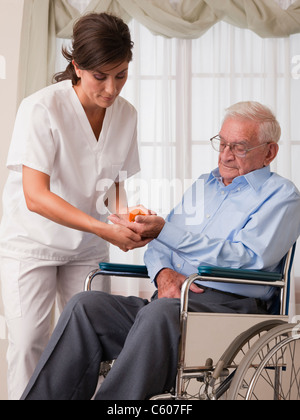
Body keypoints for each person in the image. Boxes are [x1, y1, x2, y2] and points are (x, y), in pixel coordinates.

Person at [21, 102, 300, 400]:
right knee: (85, 306)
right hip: (170, 302)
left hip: (229, 308)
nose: (226, 154)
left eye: (239, 147)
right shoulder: (204, 186)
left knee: (160, 313)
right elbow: (162, 244)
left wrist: (165, 231)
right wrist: (163, 274)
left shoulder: (282, 196)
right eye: (222, 143)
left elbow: (249, 259)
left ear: (269, 152)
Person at [0, 13, 151, 400]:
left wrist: (127, 220)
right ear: (77, 67)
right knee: (30, 342)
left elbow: (114, 182)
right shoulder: (41, 109)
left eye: (121, 75)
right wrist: (103, 227)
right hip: (31, 244)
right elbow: (36, 196)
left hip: (85, 247)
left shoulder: (127, 114)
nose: (111, 88)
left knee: (91, 341)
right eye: (101, 76)